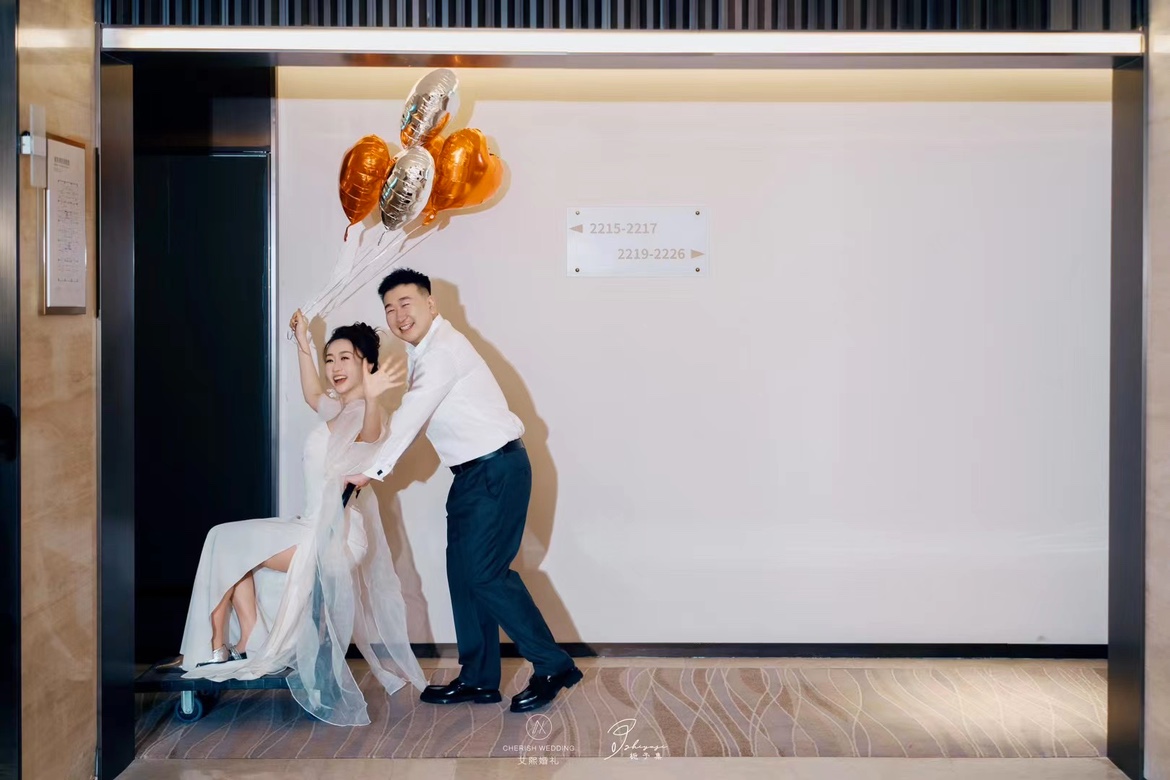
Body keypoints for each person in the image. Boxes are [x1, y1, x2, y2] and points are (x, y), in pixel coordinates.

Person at [162, 315, 427, 726]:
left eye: (345, 358)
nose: (334, 367)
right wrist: (303, 342)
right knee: (227, 540)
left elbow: (374, 436)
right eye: (330, 359)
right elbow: (311, 393)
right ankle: (244, 638)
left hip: (336, 536)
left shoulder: (367, 414)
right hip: (309, 525)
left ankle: (217, 646)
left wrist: (375, 398)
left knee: (225, 540)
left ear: (368, 365)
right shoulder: (339, 408)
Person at [343, 268, 581, 714]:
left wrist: (369, 470)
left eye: (406, 303)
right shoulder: (424, 353)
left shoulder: (443, 351)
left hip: (495, 471)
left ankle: (553, 665)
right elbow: (415, 417)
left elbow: (412, 415)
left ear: (431, 304)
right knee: (463, 576)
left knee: (485, 574)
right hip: (472, 476)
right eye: (389, 309)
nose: (398, 315)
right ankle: (478, 678)